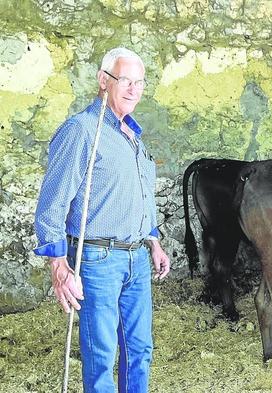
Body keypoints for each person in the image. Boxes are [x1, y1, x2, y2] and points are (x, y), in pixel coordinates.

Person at [34, 47, 170, 393]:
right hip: (97, 260)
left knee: (140, 351)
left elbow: (137, 194)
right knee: (102, 356)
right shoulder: (81, 132)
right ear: (103, 80)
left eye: (139, 82)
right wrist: (58, 265)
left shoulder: (132, 136)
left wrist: (153, 240)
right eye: (125, 80)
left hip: (137, 259)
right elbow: (52, 203)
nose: (133, 89)